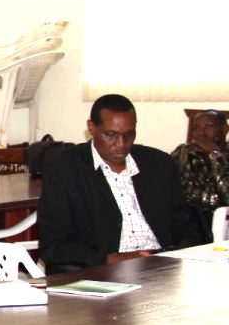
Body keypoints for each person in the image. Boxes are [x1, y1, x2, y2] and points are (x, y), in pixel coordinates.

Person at [38, 94, 202, 272]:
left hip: (162, 267)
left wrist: (182, 250)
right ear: (91, 128)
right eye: (111, 135)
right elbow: (53, 245)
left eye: (129, 135)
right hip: (105, 270)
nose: (121, 144)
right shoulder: (64, 169)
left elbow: (185, 222)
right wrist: (112, 259)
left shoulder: (159, 164)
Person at [171, 109, 228, 240]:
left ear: (225, 129)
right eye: (196, 128)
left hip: (218, 222)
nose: (201, 133)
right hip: (185, 222)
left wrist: (215, 154)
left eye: (209, 126)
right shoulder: (183, 152)